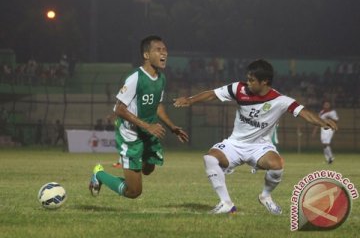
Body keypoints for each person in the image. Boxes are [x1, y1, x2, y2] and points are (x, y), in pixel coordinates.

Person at [173, 59, 337, 215]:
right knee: (210, 158)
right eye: (248, 79)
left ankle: (265, 196)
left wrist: (322, 122)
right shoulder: (239, 89)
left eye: (252, 80)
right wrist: (190, 100)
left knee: (277, 164)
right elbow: (212, 94)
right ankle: (226, 204)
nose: (248, 82)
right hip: (235, 144)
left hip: (260, 147)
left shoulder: (280, 100)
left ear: (264, 81)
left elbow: (304, 113)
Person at [89, 35, 189, 199]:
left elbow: (157, 105)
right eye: (158, 50)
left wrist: (172, 127)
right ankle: (99, 174)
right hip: (131, 136)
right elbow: (119, 109)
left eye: (165, 50)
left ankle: (133, 168)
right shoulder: (136, 78)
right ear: (146, 55)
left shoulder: (161, 78)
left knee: (148, 169)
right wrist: (147, 126)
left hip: (148, 133)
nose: (164, 53)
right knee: (133, 192)